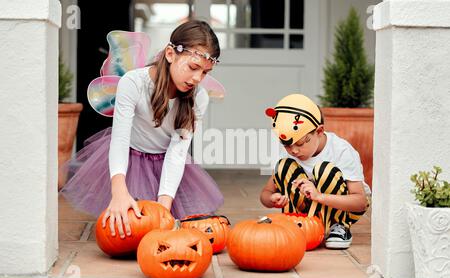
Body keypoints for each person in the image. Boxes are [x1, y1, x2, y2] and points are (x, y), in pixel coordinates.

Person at [60, 20, 224, 239]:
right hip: (130, 159)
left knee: (172, 229)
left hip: (167, 163)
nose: (197, 78)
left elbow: (177, 153)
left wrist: (163, 210)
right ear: (170, 54)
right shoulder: (133, 83)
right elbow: (119, 139)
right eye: (193, 67)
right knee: (127, 232)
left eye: (205, 72)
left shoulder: (199, 97)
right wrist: (118, 192)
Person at [260, 94, 371, 249]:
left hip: (344, 209)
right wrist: (272, 198)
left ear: (319, 131)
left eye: (300, 143)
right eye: (287, 145)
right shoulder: (289, 153)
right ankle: (293, 223)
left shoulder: (341, 151)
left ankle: (339, 226)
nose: (294, 151)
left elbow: (360, 202)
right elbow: (265, 193)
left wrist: (319, 196)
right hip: (308, 209)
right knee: (284, 165)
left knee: (324, 169)